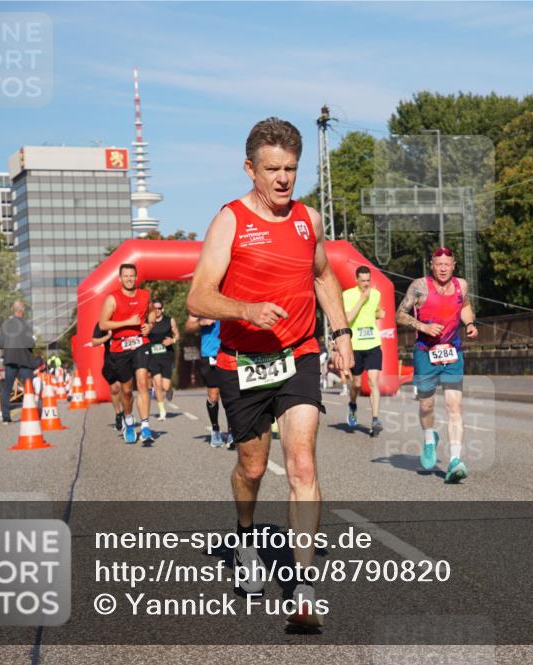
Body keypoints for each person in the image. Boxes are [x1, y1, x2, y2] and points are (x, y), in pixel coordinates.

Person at [186, 117, 354, 628]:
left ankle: (302, 588)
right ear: (250, 169)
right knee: (253, 469)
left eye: (291, 169)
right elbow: (198, 296)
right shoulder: (230, 220)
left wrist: (341, 335)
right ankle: (243, 538)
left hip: (299, 355)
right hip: (244, 363)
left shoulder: (309, 220)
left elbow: (323, 275)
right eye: (272, 169)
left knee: (302, 465)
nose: (283, 179)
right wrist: (244, 310)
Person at [395, 247, 478, 483]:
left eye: (447, 264)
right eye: (438, 264)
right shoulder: (419, 286)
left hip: (452, 352)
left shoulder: (462, 285)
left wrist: (470, 324)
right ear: (431, 265)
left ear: (453, 265)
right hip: (425, 353)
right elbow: (399, 314)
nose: (443, 268)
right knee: (427, 406)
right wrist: (423, 327)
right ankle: (430, 439)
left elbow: (464, 306)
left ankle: (454, 461)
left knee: (455, 406)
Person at [98, 263, 154, 444]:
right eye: (126, 276)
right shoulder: (112, 298)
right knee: (127, 391)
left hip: (140, 343)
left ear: (136, 277)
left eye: (132, 276)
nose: (129, 279)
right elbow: (103, 324)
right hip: (119, 348)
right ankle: (129, 421)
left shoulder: (144, 295)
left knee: (143, 383)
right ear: (120, 278)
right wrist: (126, 322)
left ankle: (145, 426)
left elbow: (152, 312)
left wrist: (149, 325)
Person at [341, 265, 386, 436]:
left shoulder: (376, 295)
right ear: (356, 280)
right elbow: (348, 318)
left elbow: (375, 312)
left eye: (368, 280)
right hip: (355, 345)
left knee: (374, 382)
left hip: (373, 343)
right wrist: (361, 299)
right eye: (363, 281)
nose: (366, 284)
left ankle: (375, 419)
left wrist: (379, 314)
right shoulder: (348, 295)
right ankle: (352, 405)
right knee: (357, 384)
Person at [185, 315, 234, 448]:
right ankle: (215, 430)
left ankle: (231, 432)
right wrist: (201, 322)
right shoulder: (202, 305)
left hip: (230, 352)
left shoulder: (229, 299)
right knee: (213, 395)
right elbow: (188, 327)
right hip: (210, 354)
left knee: (230, 394)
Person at [0, 300, 36, 423]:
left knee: (7, 388)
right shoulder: (26, 324)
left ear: (13, 311)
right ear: (21, 310)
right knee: (28, 387)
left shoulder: (5, 324)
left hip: (10, 359)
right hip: (25, 359)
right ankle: (31, 413)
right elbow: (30, 343)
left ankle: (6, 417)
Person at [85, 322, 124, 431]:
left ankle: (127, 413)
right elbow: (94, 341)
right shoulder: (103, 323)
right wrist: (108, 336)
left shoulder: (125, 320)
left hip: (126, 359)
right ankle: (118, 414)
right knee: (115, 389)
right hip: (110, 361)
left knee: (125, 389)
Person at [147, 300, 180, 421]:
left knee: (165, 387)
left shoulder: (169, 320)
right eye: (155, 308)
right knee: (157, 385)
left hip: (167, 356)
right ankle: (162, 411)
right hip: (153, 357)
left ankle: (170, 389)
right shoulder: (148, 322)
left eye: (159, 308)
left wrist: (172, 341)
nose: (157, 310)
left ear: (163, 309)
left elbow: (177, 335)